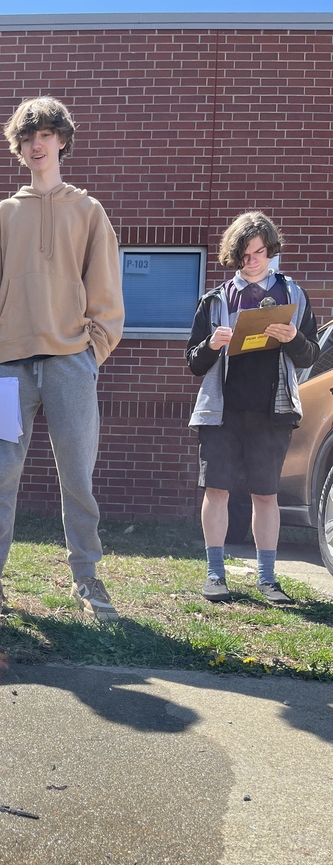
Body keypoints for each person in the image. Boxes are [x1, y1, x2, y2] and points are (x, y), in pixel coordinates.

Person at [0, 96, 125, 620]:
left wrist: (91, 353)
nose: (37, 144)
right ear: (20, 147)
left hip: (70, 363)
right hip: (6, 367)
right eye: (27, 137)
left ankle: (88, 579)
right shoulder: (3, 215)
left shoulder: (89, 212)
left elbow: (105, 293)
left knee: (78, 475)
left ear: (62, 141)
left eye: (46, 134)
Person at [186, 211, 319, 604]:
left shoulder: (292, 294)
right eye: (245, 255)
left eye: (259, 253)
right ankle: (215, 575)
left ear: (270, 251)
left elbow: (310, 354)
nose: (253, 261)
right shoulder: (214, 300)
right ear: (235, 255)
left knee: (265, 495)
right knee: (218, 489)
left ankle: (267, 578)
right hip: (221, 411)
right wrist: (212, 345)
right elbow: (193, 363)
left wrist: (293, 336)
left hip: (272, 411)